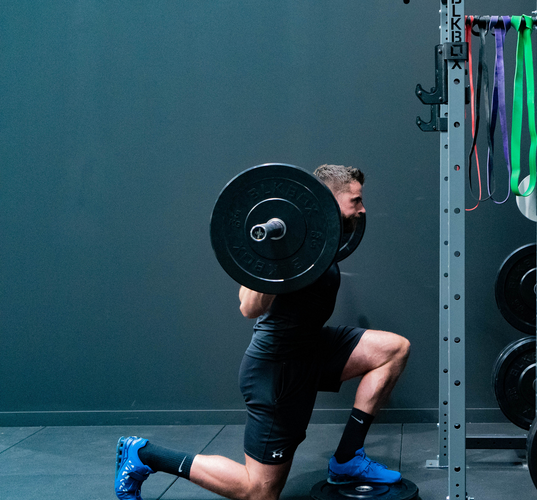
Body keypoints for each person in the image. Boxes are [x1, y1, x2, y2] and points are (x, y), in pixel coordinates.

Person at [114, 164, 411, 500]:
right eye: (355, 201)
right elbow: (248, 307)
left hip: (312, 347)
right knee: (259, 490)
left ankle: (346, 460)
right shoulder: (281, 246)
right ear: (328, 199)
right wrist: (275, 253)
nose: (362, 209)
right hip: (277, 369)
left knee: (393, 349)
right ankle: (144, 454)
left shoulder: (318, 239)